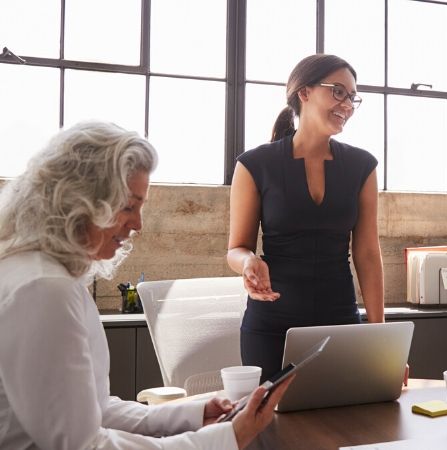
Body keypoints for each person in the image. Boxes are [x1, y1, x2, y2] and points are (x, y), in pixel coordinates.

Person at [0, 121, 291, 449]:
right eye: (128, 206)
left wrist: (192, 416)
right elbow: (85, 446)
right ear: (79, 201)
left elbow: (95, 410)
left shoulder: (39, 275)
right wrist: (227, 438)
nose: (138, 224)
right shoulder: (44, 290)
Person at [227, 54, 385, 381]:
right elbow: (237, 248)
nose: (347, 104)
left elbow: (368, 254)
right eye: (338, 91)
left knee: (350, 427)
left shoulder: (362, 167)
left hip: (340, 322)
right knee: (272, 427)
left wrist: (380, 336)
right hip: (271, 328)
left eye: (352, 97)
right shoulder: (254, 165)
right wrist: (247, 263)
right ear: (304, 93)